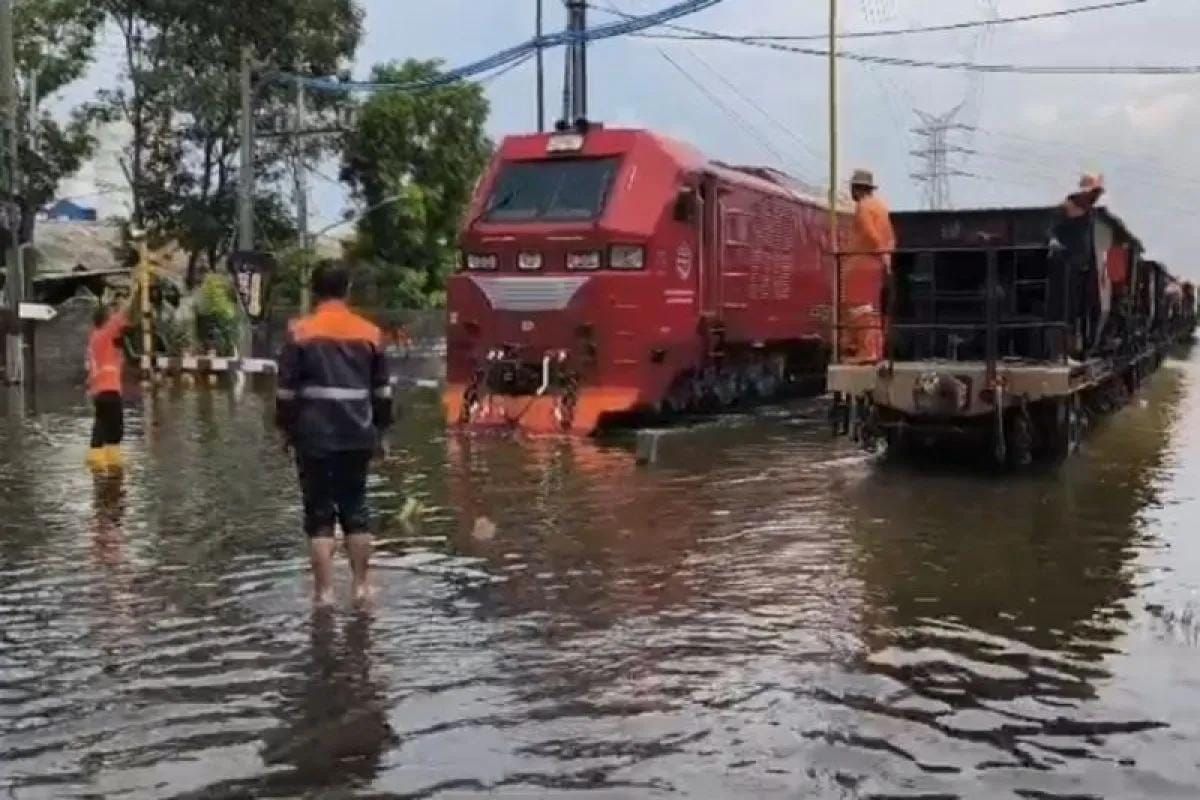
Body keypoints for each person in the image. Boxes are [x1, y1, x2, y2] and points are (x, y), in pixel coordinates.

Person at [275, 262, 393, 606]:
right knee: (356, 509)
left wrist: (285, 430)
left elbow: (286, 392)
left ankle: (323, 594)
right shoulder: (370, 333)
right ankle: (360, 588)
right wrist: (381, 433)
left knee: (319, 514)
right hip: (358, 434)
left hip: (313, 437)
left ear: (314, 291)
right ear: (348, 288)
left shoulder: (300, 332)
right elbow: (383, 392)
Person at [843, 168, 896, 363]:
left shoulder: (863, 207)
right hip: (878, 263)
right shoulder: (881, 208)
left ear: (857, 189)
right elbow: (890, 237)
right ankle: (875, 349)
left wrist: (878, 251)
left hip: (863, 262)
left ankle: (866, 351)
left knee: (859, 307)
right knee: (872, 309)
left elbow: (868, 232)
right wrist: (886, 257)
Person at [86, 297, 130, 470]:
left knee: (101, 423)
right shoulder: (106, 334)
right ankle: (110, 460)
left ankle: (96, 459)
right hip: (110, 388)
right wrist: (134, 291)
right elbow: (122, 318)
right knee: (115, 428)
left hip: (98, 390)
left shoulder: (94, 338)